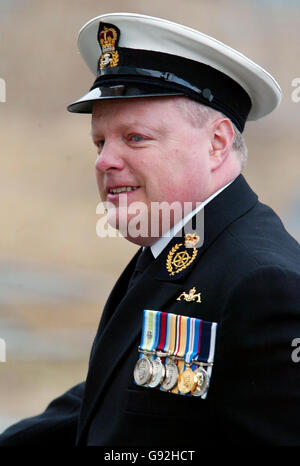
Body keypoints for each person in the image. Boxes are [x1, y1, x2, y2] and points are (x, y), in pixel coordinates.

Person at [1, 12, 300, 447]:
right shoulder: (177, 248)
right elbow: (109, 402)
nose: (104, 160)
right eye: (100, 142)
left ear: (217, 144)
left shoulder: (262, 283)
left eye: (135, 138)